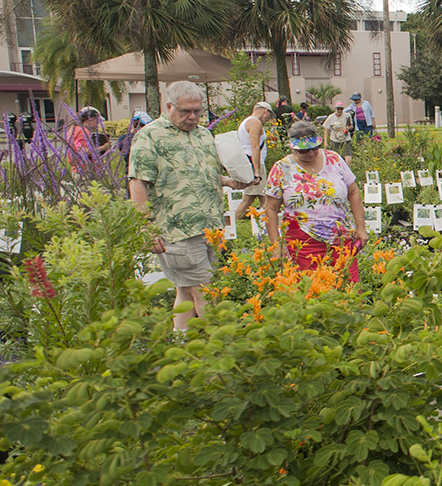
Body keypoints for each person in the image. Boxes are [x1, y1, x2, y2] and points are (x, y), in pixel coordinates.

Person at [128, 81, 249, 331]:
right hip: (178, 231)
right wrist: (146, 228)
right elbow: (138, 182)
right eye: (185, 111)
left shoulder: (203, 134)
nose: (192, 117)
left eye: (197, 111)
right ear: (169, 106)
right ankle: (218, 348)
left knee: (185, 290)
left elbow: (204, 173)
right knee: (207, 291)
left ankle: (181, 342)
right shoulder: (150, 136)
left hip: (211, 227)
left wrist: (230, 181)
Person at [266, 120, 368, 277]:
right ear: (292, 147)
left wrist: (361, 227)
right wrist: (276, 245)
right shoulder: (282, 168)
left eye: (315, 148)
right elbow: (271, 209)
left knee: (348, 290)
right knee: (312, 293)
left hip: (340, 239)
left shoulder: (334, 159)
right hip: (302, 244)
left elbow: (353, 192)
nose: (311, 154)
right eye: (304, 151)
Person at [233, 101, 275, 222]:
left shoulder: (246, 122)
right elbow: (255, 146)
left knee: (262, 197)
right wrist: (257, 171)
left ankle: (267, 225)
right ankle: (230, 225)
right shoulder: (255, 122)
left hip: (250, 161)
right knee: (249, 199)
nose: (267, 119)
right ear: (265, 111)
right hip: (254, 163)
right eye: (268, 115)